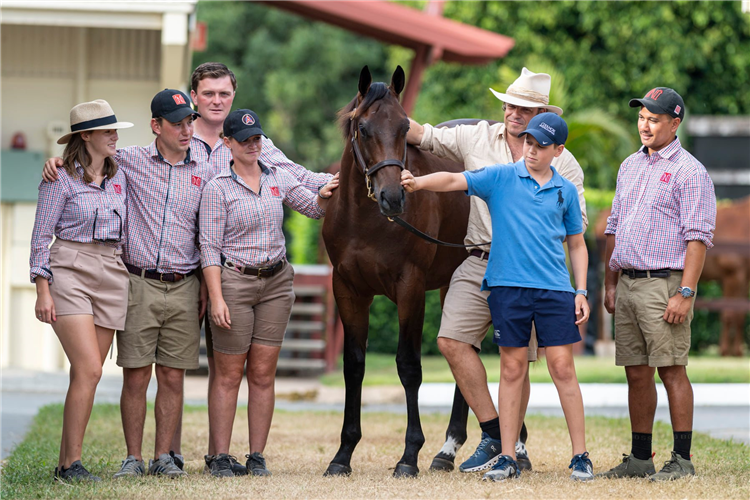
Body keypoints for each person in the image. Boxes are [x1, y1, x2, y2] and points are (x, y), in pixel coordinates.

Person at [405, 68, 587, 472]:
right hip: (479, 261)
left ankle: (515, 447)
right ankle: (492, 431)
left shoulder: (565, 164)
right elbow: (425, 136)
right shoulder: (477, 137)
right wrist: (380, 108)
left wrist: (576, 288)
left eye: (522, 107)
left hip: (533, 272)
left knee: (517, 360)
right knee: (451, 339)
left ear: (540, 112)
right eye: (508, 104)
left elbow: (575, 229)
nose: (511, 112)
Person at [43, 89, 212, 478]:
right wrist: (54, 162)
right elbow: (83, 162)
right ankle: (131, 458)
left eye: (190, 122)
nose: (186, 130)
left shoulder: (206, 163)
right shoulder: (128, 161)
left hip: (183, 282)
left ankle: (163, 457)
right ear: (157, 126)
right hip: (134, 279)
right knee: (133, 373)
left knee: (172, 374)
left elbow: (258, 156)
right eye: (177, 123)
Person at [187, 62, 335, 474]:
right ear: (229, 143)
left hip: (273, 280)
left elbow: (309, 195)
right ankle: (217, 456)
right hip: (225, 278)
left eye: (257, 138)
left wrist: (340, 184)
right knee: (226, 372)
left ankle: (256, 457)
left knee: (263, 372)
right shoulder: (201, 161)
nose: (253, 144)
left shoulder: (273, 173)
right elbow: (209, 244)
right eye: (246, 139)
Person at [599, 88, 716, 481]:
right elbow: (613, 227)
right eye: (641, 117)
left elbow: (697, 238)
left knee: (671, 371)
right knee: (636, 372)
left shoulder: (690, 171)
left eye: (653, 118)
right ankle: (639, 458)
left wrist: (685, 292)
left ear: (674, 122)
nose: (644, 125)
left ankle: (681, 460)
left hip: (664, 284)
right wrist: (611, 284)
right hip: (629, 283)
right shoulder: (629, 165)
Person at [30, 99, 133, 482]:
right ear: (85, 136)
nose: (115, 135)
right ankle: (70, 464)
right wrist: (43, 289)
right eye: (107, 130)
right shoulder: (60, 178)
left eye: (115, 129)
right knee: (89, 368)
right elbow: (41, 236)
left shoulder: (121, 173)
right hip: (69, 268)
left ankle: (66, 464)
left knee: (88, 374)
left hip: (112, 270)